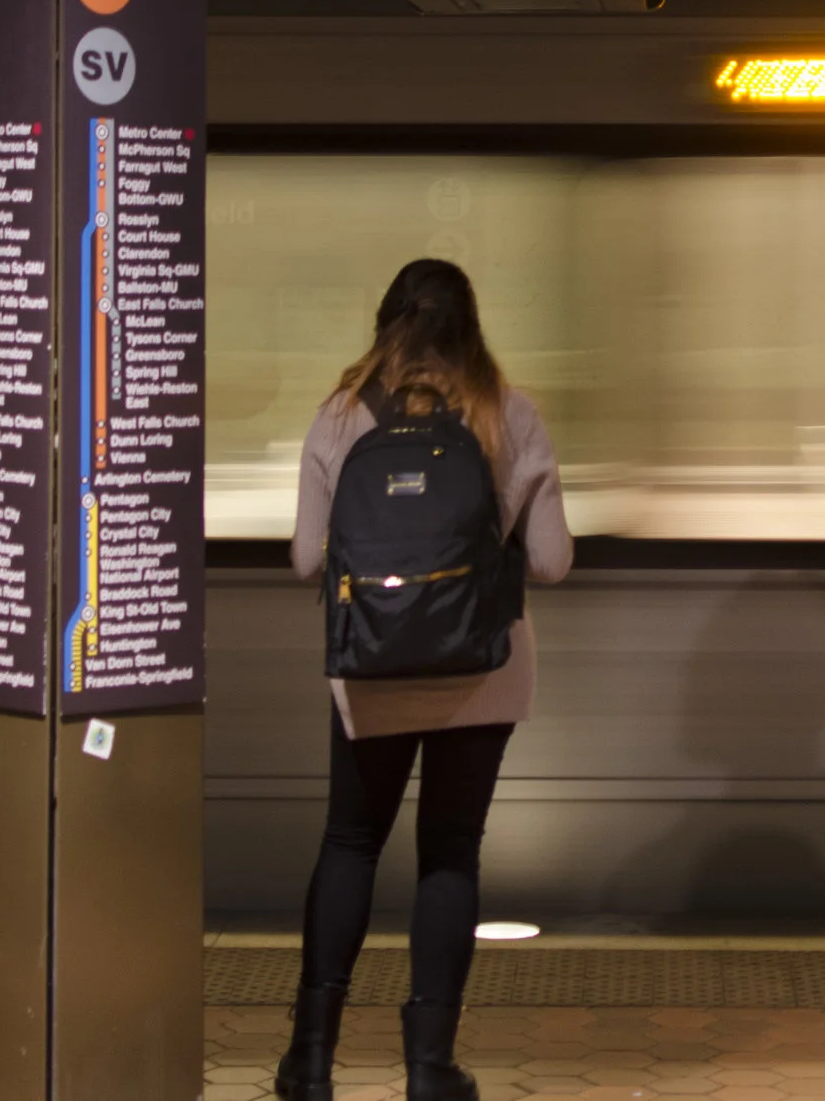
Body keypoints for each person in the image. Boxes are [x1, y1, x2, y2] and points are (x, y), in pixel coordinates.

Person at [278, 259, 575, 1101]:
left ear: (385, 323)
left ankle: (309, 1061)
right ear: (472, 327)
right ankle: (428, 1067)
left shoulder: (341, 417)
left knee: (349, 843)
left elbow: (305, 558)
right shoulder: (512, 415)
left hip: (369, 670)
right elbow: (550, 561)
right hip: (481, 674)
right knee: (449, 852)